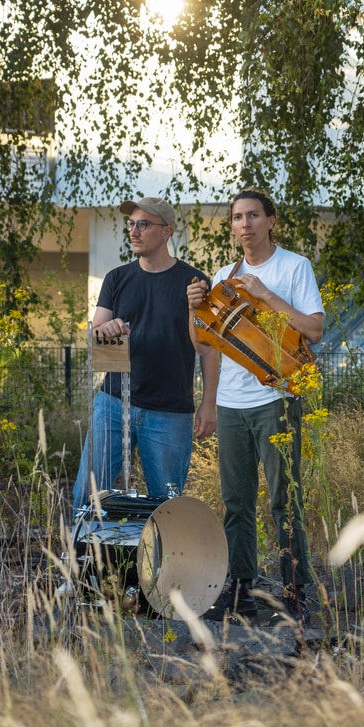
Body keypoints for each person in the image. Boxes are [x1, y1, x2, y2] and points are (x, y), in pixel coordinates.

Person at [186, 189, 324, 621]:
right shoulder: (224, 274)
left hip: (277, 398)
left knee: (285, 499)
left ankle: (296, 592)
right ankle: (240, 589)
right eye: (237, 218)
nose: (245, 224)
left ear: (270, 221)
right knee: (236, 502)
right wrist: (194, 312)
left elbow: (314, 330)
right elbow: (205, 343)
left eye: (253, 216)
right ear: (232, 226)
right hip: (231, 404)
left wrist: (265, 295)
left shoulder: (294, 267)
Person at [73, 196, 218, 511]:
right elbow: (96, 332)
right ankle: (84, 561)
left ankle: (158, 561)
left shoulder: (193, 282)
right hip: (112, 403)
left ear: (166, 232)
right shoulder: (117, 278)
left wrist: (208, 404)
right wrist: (106, 328)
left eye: (144, 224)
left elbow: (208, 350)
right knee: (87, 495)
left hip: (169, 412)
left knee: (166, 505)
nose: (134, 231)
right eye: (131, 224)